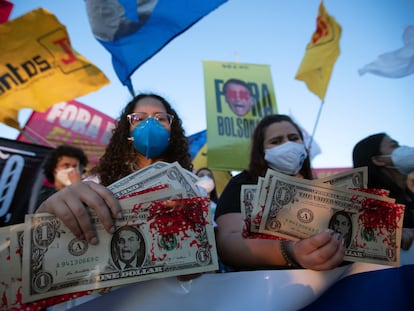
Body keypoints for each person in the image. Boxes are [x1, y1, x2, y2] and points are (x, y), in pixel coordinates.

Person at [36, 93, 193, 246]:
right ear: (127, 130)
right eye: (139, 118)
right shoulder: (97, 183)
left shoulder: (193, 186)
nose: (151, 124)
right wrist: (45, 212)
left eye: (161, 118)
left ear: (173, 131)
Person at [214, 114, 345, 271]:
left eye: (293, 138)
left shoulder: (322, 187)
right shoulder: (241, 184)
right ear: (261, 150)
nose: (287, 145)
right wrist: (290, 251)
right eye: (276, 142)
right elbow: (228, 242)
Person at [352, 133, 414, 250]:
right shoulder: (370, 205)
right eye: (394, 146)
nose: (404, 149)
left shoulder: (410, 192)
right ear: (378, 160)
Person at [34, 144, 88, 211]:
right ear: (54, 169)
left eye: (75, 166)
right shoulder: (39, 193)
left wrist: (77, 186)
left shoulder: (86, 194)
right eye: (66, 166)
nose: (71, 170)